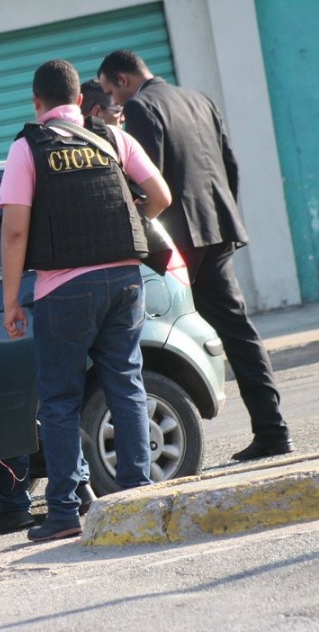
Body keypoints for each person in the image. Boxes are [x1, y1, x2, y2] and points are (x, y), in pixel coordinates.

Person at [0, 59, 172, 542]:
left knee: (59, 400)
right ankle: (138, 492)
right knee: (126, 383)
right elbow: (161, 194)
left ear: (37, 104)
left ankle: (65, 512)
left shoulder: (28, 146)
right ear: (79, 100)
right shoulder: (113, 139)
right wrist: (133, 214)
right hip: (124, 281)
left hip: (64, 290)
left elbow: (14, 231)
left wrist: (11, 300)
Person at [97, 50, 293, 462]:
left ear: (123, 78)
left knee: (141, 331)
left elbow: (149, 179)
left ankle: (143, 445)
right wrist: (222, 219)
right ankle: (273, 429)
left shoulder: (142, 107)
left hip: (179, 241)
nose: (113, 102)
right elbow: (230, 165)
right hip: (216, 229)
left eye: (112, 91)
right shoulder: (198, 99)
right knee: (237, 329)